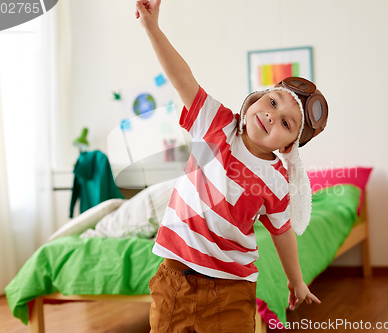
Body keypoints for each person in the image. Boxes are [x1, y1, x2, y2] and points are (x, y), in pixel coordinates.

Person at [135, 1, 328, 332]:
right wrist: (153, 29)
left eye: (286, 122)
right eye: (271, 101)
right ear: (256, 99)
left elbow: (282, 233)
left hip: (232, 289)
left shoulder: (278, 181)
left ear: (287, 146)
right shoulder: (216, 123)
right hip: (175, 276)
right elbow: (183, 77)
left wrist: (296, 282)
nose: (271, 115)